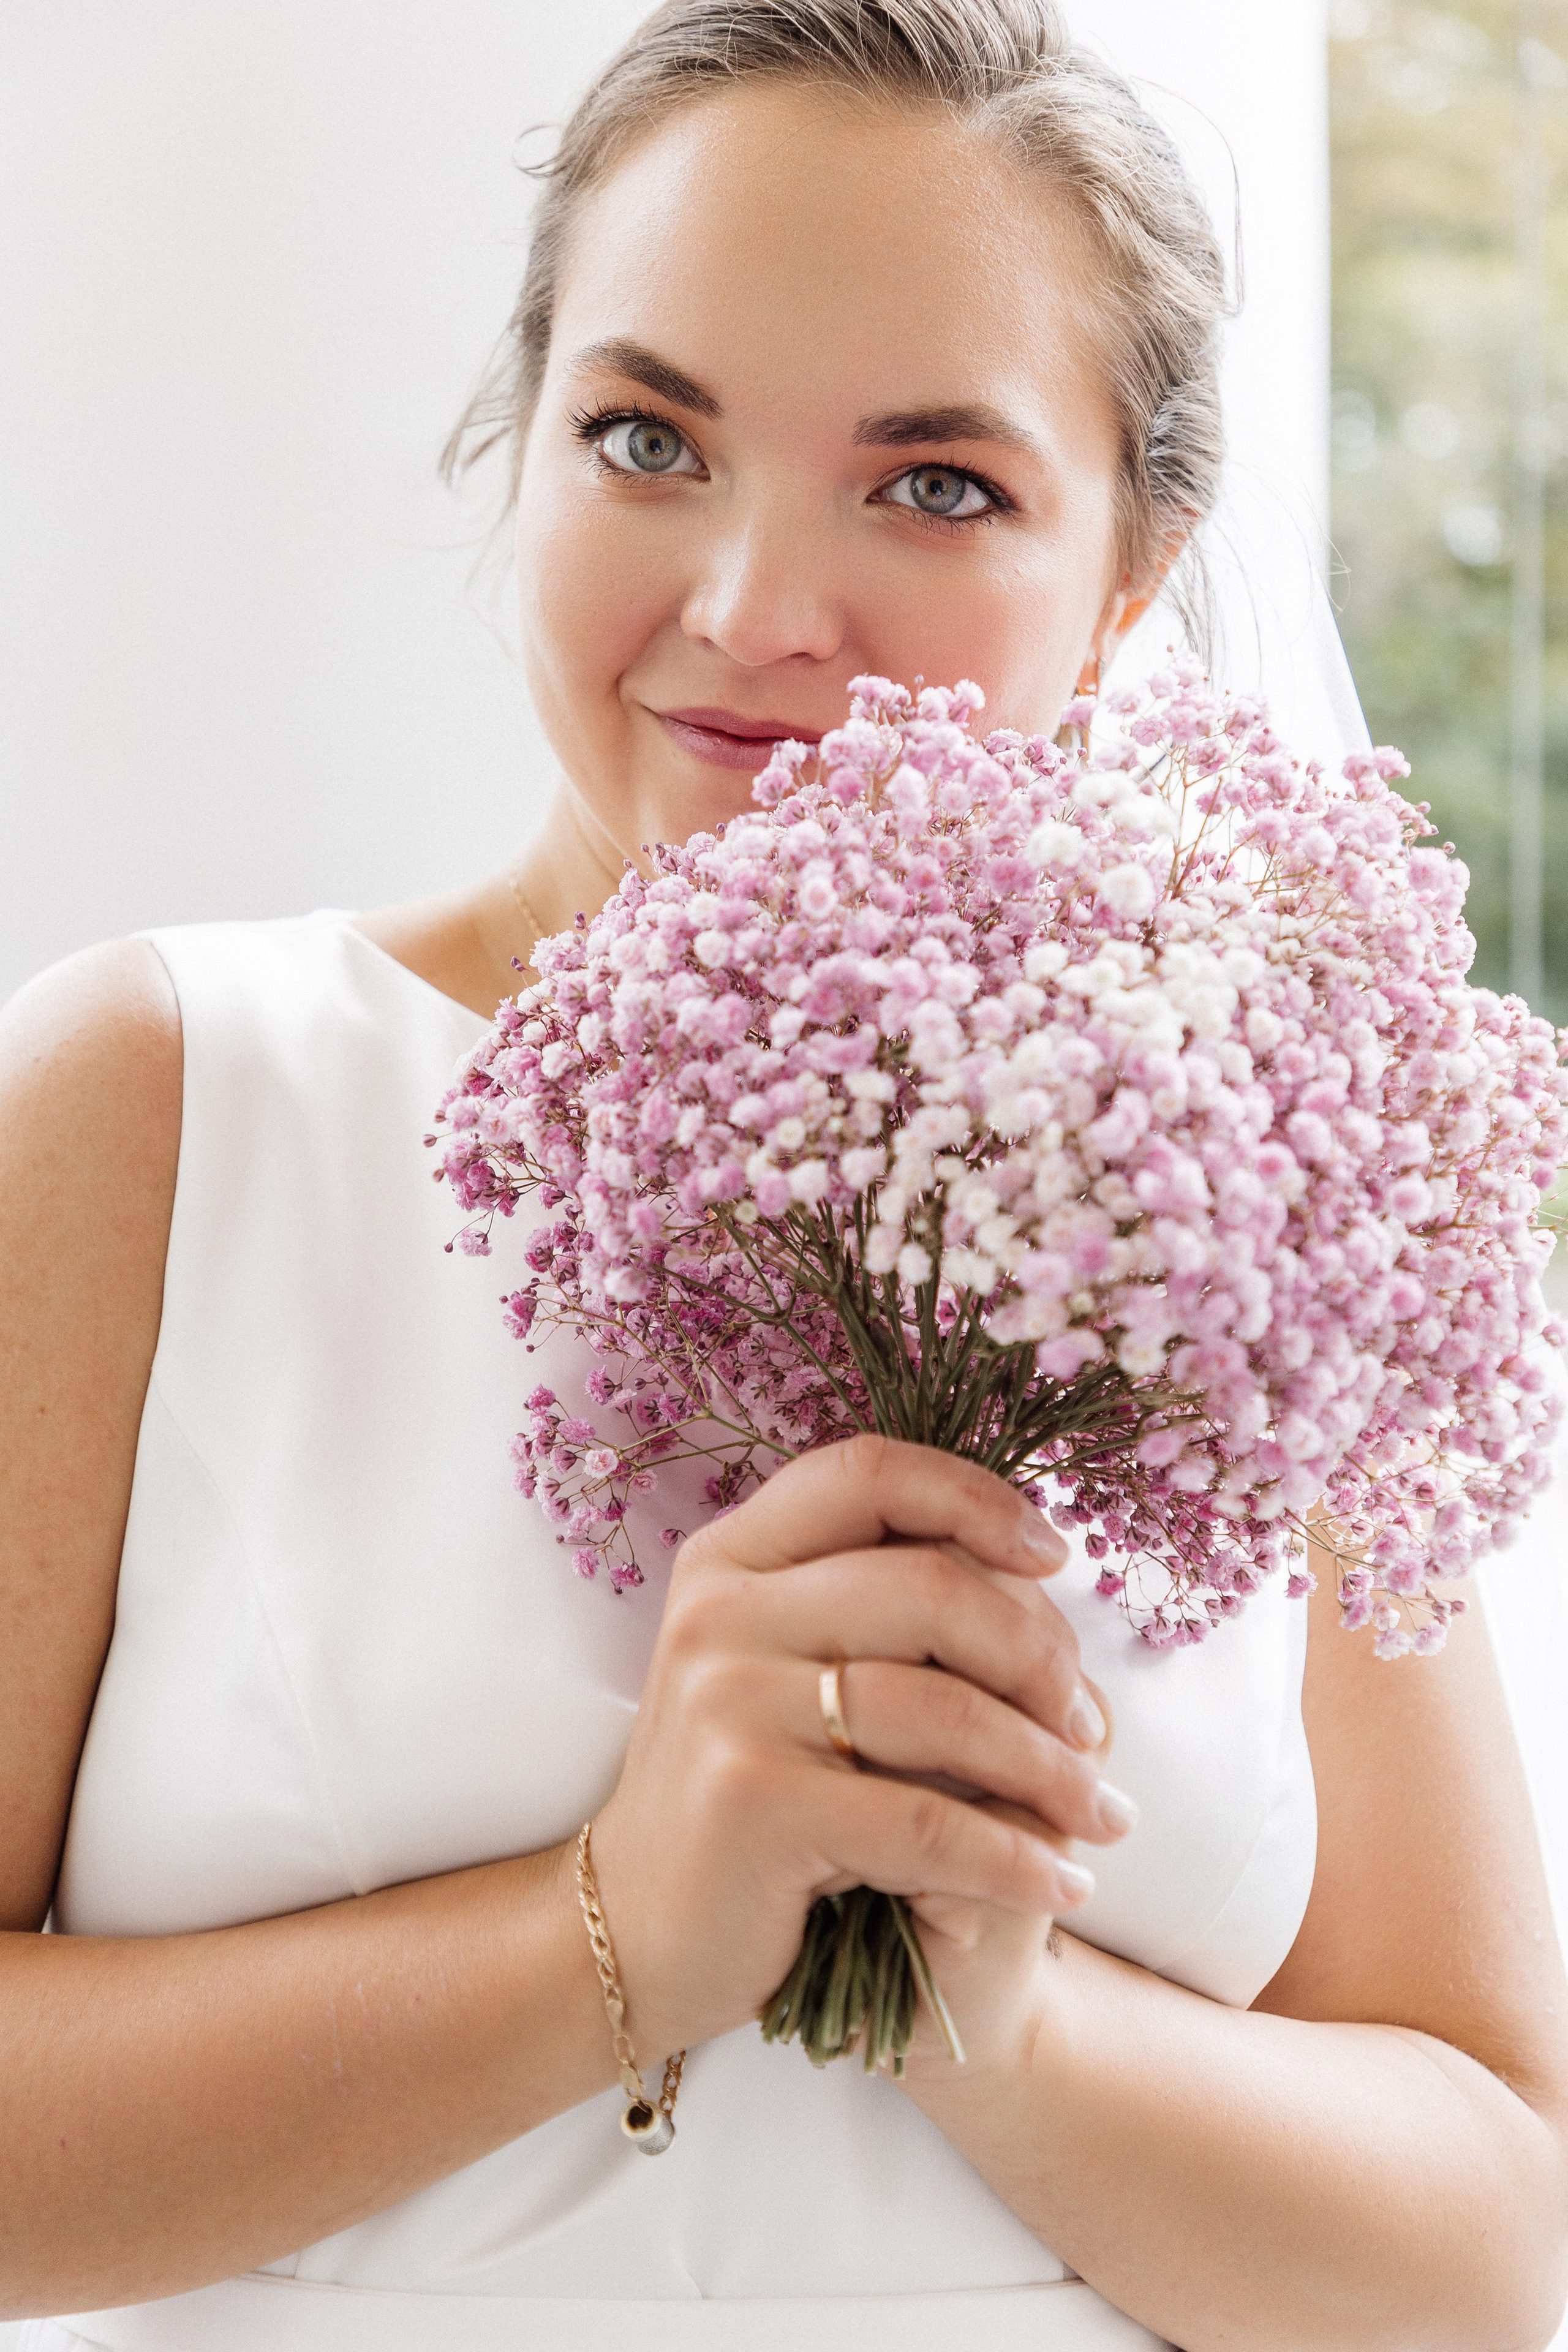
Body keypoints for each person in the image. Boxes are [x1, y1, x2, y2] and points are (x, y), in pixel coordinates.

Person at [3, 4, 1566, 2346]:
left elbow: (1497, 2250)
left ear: (1132, 571)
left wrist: (1000, 2011)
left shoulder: (1241, 1195)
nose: (751, 607)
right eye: (648, 435)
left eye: (935, 484)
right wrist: (621, 1922)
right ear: (519, 446)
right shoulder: (169, 1100)